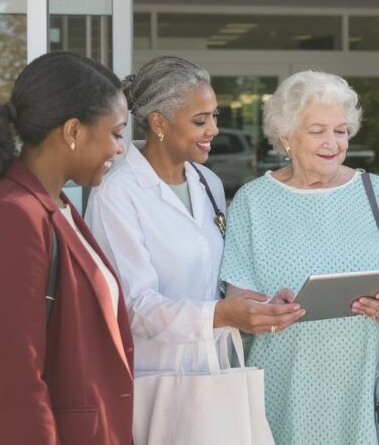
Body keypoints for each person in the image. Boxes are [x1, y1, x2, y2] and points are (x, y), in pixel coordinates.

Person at [218, 70, 379, 445]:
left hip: (366, 386)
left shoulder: (376, 193)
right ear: (286, 137)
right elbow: (236, 302)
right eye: (317, 131)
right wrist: (264, 308)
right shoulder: (252, 202)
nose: (333, 144)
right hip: (284, 388)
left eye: (341, 130)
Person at [0, 51, 134, 445]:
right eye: (116, 133)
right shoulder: (11, 216)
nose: (119, 149)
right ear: (72, 131)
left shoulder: (55, 207)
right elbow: (13, 385)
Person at [86, 55, 303, 373]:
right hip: (152, 377)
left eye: (214, 116)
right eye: (200, 121)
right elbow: (133, 307)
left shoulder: (207, 183)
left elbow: (211, 283)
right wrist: (222, 315)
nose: (214, 129)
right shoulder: (116, 194)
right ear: (159, 123)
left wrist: (258, 307)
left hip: (212, 373)